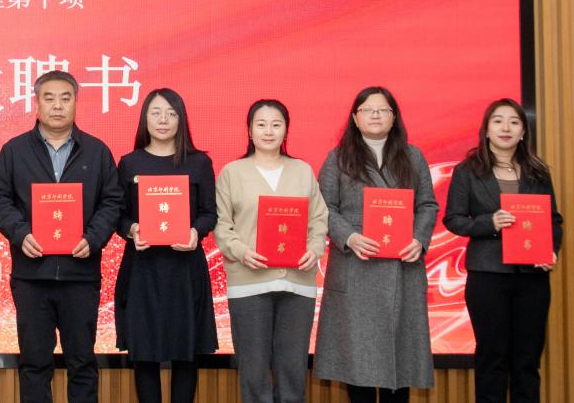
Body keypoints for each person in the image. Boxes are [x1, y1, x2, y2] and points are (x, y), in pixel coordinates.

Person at [0, 70, 125, 403]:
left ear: (76, 102)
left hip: (80, 275)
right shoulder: (15, 150)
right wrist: (20, 233)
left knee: (82, 363)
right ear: (37, 103)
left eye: (65, 98)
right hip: (31, 276)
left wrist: (93, 238)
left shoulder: (97, 151)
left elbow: (113, 201)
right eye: (49, 98)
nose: (57, 106)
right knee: (34, 364)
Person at [312, 86, 438, 403]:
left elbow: (427, 205)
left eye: (383, 110)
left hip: (403, 269)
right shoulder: (338, 158)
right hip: (356, 269)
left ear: (394, 117)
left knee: (401, 364)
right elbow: (324, 208)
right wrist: (349, 237)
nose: (376, 115)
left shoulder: (413, 156)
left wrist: (419, 239)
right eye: (368, 110)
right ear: (355, 118)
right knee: (359, 366)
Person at [443, 98, 562, 403]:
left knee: (527, 360)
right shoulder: (467, 171)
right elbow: (453, 219)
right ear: (486, 130)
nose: (505, 127)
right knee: (491, 358)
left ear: (523, 131)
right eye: (498, 121)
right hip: (488, 276)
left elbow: (553, 220)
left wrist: (551, 250)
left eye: (514, 121)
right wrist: (490, 222)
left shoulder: (537, 171)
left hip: (532, 277)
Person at [214, 99, 329, 403]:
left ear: (286, 130)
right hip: (249, 284)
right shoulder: (232, 172)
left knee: (293, 372)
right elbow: (222, 225)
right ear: (249, 130)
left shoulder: (302, 171)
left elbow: (319, 218)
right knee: (254, 373)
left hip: (298, 283)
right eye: (261, 124)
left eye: (276, 124)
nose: (268, 131)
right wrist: (241, 251)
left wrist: (314, 249)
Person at [113, 88, 218, 403]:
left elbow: (209, 213)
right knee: (144, 353)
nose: (163, 120)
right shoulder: (129, 163)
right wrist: (132, 229)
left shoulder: (199, 163)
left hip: (185, 269)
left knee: (186, 352)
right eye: (156, 113)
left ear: (181, 119)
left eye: (171, 114)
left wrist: (195, 232)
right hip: (143, 269)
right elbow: (117, 215)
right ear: (144, 118)